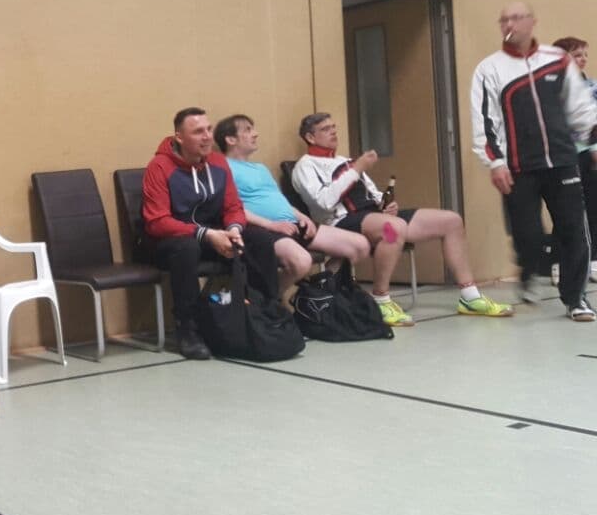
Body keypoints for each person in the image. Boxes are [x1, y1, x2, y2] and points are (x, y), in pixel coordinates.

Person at [292, 112, 514, 326]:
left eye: (333, 127)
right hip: (340, 222)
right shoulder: (305, 166)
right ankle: (381, 299)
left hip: (374, 216)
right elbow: (323, 202)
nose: (333, 132)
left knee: (451, 221)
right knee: (393, 228)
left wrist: (386, 204)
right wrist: (357, 168)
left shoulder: (346, 161)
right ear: (310, 137)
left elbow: (373, 194)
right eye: (325, 129)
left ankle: (470, 296)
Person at [469, 1, 597, 321]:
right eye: (503, 19)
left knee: (573, 230)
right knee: (528, 235)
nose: (508, 24)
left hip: (563, 162)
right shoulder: (489, 69)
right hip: (518, 167)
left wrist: (593, 139)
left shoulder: (557, 60)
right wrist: (495, 163)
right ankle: (530, 271)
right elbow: (485, 121)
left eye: (515, 17)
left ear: (532, 22)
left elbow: (580, 107)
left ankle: (576, 298)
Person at [142, 107, 283, 360]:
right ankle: (188, 328)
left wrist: (234, 230)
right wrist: (206, 234)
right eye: (198, 132)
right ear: (179, 137)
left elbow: (233, 207)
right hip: (168, 241)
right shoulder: (159, 167)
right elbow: (157, 222)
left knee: (260, 240)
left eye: (208, 129)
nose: (207, 136)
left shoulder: (218, 162)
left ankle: (265, 312)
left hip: (212, 234)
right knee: (186, 248)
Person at [214, 113, 371, 289]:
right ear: (230, 139)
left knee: (360, 246)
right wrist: (271, 225)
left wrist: (303, 217)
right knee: (302, 262)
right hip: (263, 229)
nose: (255, 134)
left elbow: (279, 200)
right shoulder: (222, 167)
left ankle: (318, 293)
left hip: (293, 223)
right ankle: (269, 300)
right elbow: (231, 208)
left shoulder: (260, 168)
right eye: (248, 130)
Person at [551, 35, 597, 285]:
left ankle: (593, 260)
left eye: (585, 55)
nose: (583, 59)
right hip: (562, 157)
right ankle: (559, 263)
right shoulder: (550, 89)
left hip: (587, 155)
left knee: (593, 207)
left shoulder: (591, 87)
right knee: (565, 211)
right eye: (577, 55)